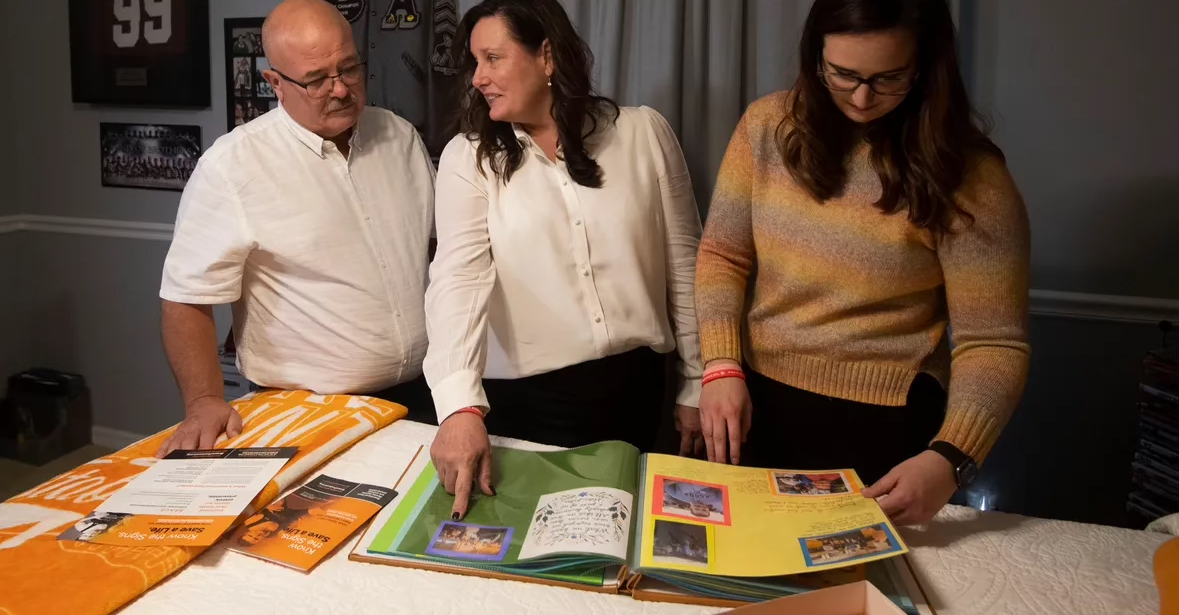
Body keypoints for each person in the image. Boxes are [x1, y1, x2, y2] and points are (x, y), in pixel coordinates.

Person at [695, 0, 1030, 525]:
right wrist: (720, 365)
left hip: (886, 425)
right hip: (755, 402)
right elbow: (723, 255)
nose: (862, 98)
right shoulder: (767, 126)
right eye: (843, 75)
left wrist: (950, 457)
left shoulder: (969, 174)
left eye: (889, 78)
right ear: (816, 58)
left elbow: (994, 342)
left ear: (925, 66)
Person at [425, 0, 705, 519]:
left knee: (620, 548)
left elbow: (685, 267)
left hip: (636, 389)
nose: (478, 78)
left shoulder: (642, 133)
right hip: (526, 402)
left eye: (493, 58)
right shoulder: (470, 158)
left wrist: (697, 379)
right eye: (475, 63)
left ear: (547, 56)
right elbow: (457, 282)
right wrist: (458, 404)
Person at [156, 0, 436, 457]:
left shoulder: (399, 136)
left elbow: (435, 251)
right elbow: (187, 297)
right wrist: (204, 401)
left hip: (425, 392)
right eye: (317, 79)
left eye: (349, 69)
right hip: (305, 407)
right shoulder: (232, 166)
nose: (340, 89)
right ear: (275, 83)